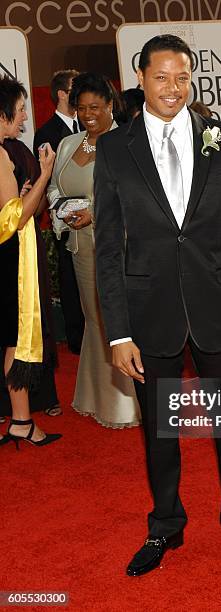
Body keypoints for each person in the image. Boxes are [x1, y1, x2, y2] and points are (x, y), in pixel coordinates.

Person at [94, 34, 221, 576]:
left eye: (183, 77)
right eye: (162, 77)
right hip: (147, 310)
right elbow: (108, 247)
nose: (173, 88)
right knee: (158, 431)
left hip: (220, 306)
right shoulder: (113, 148)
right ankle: (165, 528)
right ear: (140, 77)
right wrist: (118, 332)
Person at [48, 72, 140, 429]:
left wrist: (94, 211)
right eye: (82, 108)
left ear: (109, 105)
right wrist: (63, 210)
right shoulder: (70, 144)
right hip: (80, 249)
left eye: (95, 107)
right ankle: (94, 394)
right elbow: (55, 187)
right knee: (93, 317)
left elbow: (135, 197)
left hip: (118, 246)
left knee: (115, 319)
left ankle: (126, 403)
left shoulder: (127, 142)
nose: (88, 114)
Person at [0, 74, 61, 447]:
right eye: (20, 111)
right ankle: (21, 420)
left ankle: (20, 420)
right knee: (16, 341)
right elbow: (13, 220)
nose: (24, 119)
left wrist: (24, 194)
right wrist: (45, 175)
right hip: (9, 260)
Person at [34, 69, 84, 356]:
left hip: (94, 220)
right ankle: (76, 339)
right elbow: (50, 182)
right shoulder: (46, 133)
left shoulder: (88, 125)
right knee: (69, 279)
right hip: (64, 220)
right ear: (62, 94)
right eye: (74, 88)